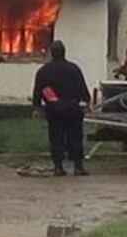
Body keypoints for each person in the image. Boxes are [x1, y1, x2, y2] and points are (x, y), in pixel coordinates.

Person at [33, 41, 91, 177]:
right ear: (64, 52)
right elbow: (81, 87)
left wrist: (37, 106)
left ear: (51, 53)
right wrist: (87, 101)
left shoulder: (44, 71)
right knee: (75, 137)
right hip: (73, 108)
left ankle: (58, 166)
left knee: (56, 137)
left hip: (54, 109)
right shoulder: (74, 69)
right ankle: (78, 166)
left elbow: (39, 90)